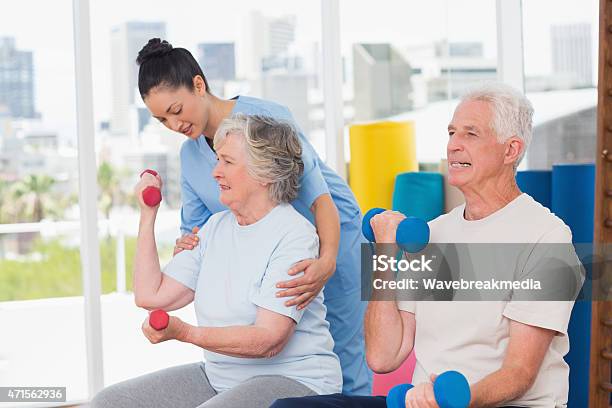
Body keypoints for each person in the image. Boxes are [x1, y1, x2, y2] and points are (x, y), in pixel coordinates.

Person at [272, 83, 582, 407]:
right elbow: (383, 356)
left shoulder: (546, 237)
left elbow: (519, 373)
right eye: (451, 133)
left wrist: (449, 400)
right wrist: (385, 252)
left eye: (470, 134)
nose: (453, 146)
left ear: (511, 150)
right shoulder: (433, 234)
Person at [134, 38, 370, 396]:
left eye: (176, 109)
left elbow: (321, 200)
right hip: (271, 249)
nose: (173, 123)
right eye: (162, 118)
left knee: (344, 351)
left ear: (199, 85)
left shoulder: (266, 120)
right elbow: (194, 230)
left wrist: (328, 259)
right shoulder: (190, 155)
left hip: (331, 230)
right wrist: (187, 242)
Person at [91, 115, 342, 408]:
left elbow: (269, 339)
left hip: (295, 379)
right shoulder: (214, 228)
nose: (215, 172)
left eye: (227, 162)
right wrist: (149, 215)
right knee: (109, 402)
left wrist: (185, 333)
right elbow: (150, 295)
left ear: (264, 173)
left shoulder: (294, 236)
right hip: (220, 378)